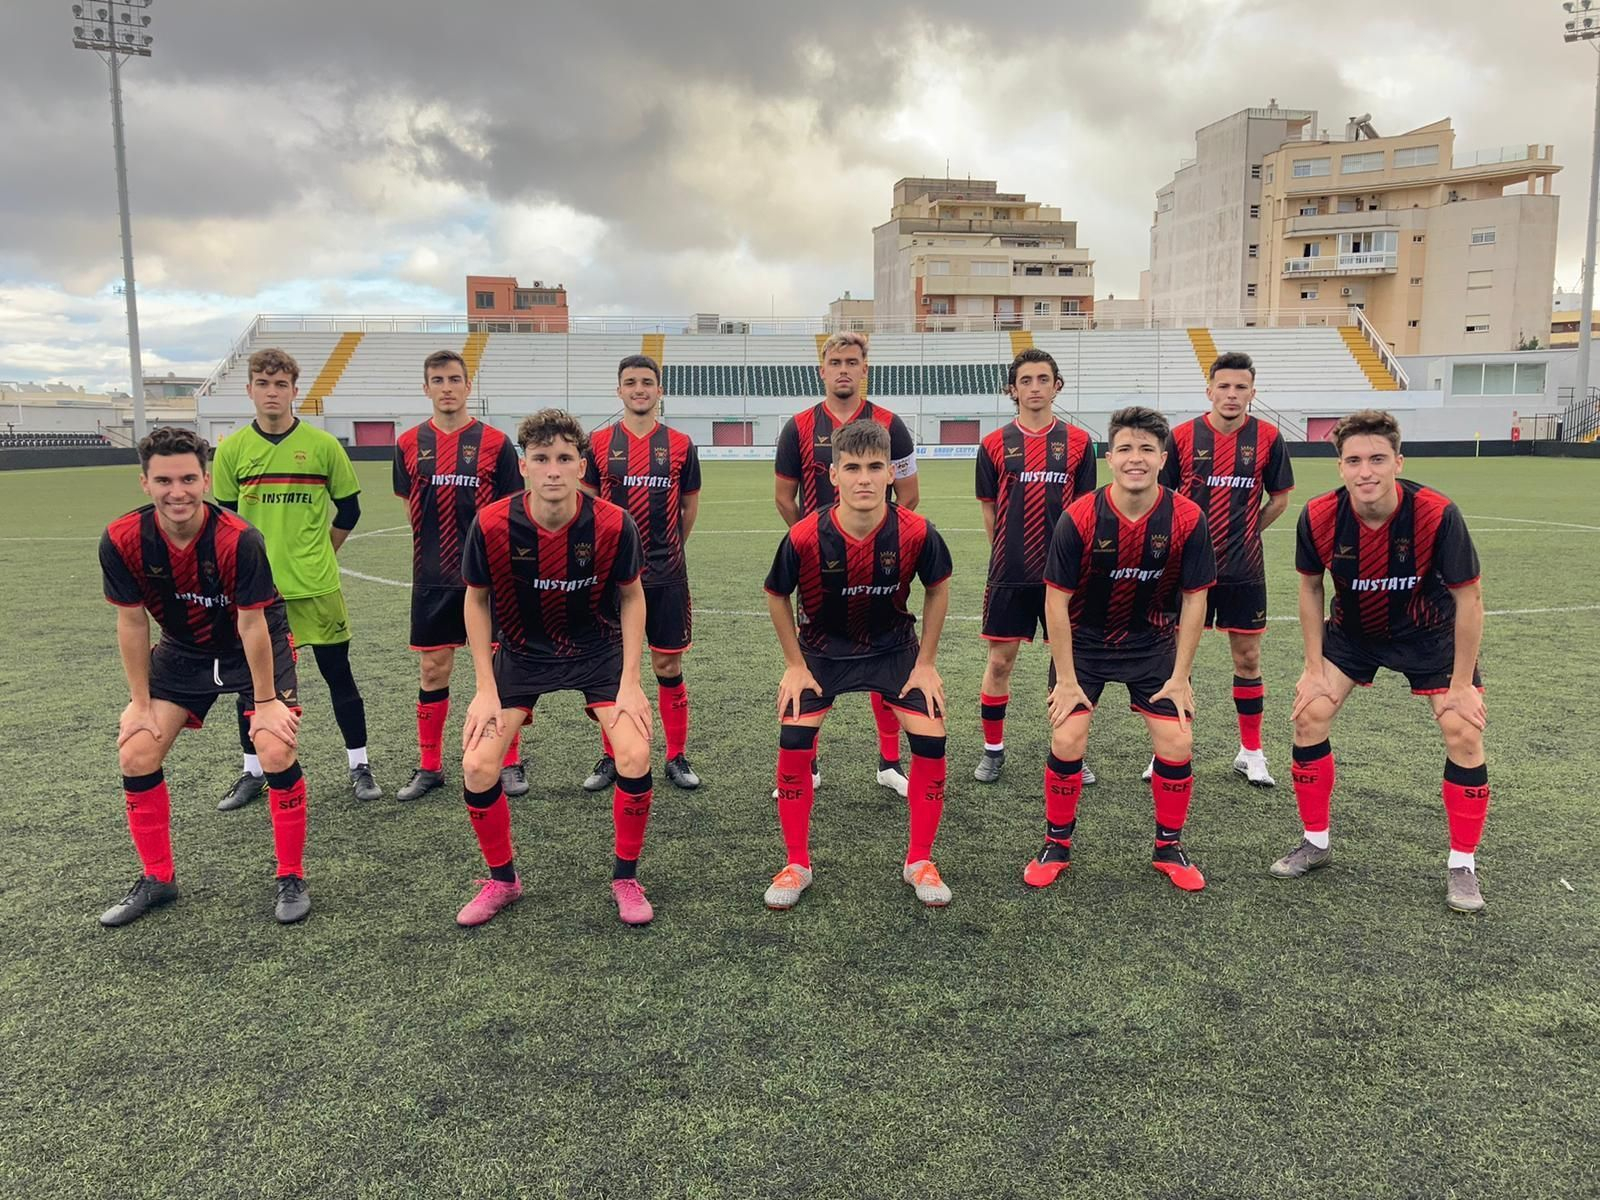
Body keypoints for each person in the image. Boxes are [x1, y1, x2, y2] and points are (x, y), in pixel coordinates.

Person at [1273, 409, 1490, 913]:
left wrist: (1460, 683)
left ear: (1398, 461)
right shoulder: (1321, 516)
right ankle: (1316, 842)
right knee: (1309, 715)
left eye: (1377, 459)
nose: (1365, 471)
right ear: (1340, 467)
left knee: (1464, 729)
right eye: (1354, 460)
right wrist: (1311, 667)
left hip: (1428, 633)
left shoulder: (1436, 513)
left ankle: (1463, 864)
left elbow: (1469, 599)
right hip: (1355, 633)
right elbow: (1309, 588)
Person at [98, 427, 310, 926]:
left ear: (206, 479)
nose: (178, 492)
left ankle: (291, 875)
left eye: (189, 479)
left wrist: (266, 703)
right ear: (144, 482)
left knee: (274, 747)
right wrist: (139, 700)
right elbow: (131, 621)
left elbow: (253, 623)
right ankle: (157, 878)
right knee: (136, 750)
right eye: (165, 480)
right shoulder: (122, 539)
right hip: (182, 650)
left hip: (251, 643)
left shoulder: (239, 540)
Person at [453, 409, 657, 927]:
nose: (552, 470)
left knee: (633, 754)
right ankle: (502, 881)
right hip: (521, 653)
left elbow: (632, 598)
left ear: (581, 465)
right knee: (478, 765)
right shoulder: (493, 523)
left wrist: (632, 683)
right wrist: (482, 687)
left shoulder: (613, 523)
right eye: (540, 459)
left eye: (564, 458)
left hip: (597, 651)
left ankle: (625, 878)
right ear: (523, 466)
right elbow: (476, 602)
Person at [762, 418, 953, 911]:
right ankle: (796, 864)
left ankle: (920, 861)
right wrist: (794, 664)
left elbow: (938, 588)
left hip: (894, 651)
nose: (864, 478)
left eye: (875, 467)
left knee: (932, 740)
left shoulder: (916, 532)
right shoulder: (806, 535)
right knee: (794, 740)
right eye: (852, 468)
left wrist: (926, 662)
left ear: (892, 473)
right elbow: (776, 594)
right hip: (823, 653)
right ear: (833, 475)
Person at [1026, 405, 1216, 893]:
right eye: (1126, 449)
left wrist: (1180, 675)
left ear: (1162, 457)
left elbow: (1196, 600)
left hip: (1153, 644)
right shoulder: (1081, 517)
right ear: (1110, 457)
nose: (1136, 458)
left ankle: (1169, 848)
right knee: (1068, 738)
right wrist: (1066, 679)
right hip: (1085, 644)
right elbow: (1056, 600)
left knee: (1177, 742)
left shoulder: (1187, 518)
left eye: (1147, 450)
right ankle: (1056, 844)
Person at [211, 347, 381, 805]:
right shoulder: (231, 451)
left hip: (316, 587)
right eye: (263, 384)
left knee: (337, 675)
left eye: (280, 384)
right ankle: (252, 771)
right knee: (253, 686)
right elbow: (223, 522)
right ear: (249, 390)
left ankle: (359, 764)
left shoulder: (323, 446)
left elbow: (350, 508)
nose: (272, 392)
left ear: (294, 391)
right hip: (255, 595)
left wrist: (322, 551)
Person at [774, 332, 920, 797]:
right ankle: (809, 766)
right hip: (820, 569)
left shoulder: (891, 424)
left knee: (886, 652)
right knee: (814, 657)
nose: (843, 368)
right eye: (834, 361)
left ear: (864, 369)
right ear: (821, 369)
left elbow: (909, 495)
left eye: (852, 361)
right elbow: (784, 495)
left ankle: (889, 764)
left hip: (884, 562)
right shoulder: (797, 427)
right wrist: (814, 545)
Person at [392, 349, 526, 803]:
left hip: (488, 580)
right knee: (433, 669)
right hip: (431, 576)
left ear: (469, 386)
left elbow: (512, 511)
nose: (446, 387)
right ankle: (430, 766)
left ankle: (508, 762)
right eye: (437, 379)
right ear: (425, 387)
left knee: (498, 671)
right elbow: (406, 502)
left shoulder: (496, 443)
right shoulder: (409, 443)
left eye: (454, 379)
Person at [1156, 351, 1293, 787]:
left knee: (1248, 658)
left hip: (1244, 567)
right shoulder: (1181, 437)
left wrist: (1248, 531)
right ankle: (1167, 748)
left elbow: (1280, 500)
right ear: (1209, 390)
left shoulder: (1269, 437)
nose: (1232, 394)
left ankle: (1251, 752)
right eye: (1224, 386)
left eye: (1241, 387)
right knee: (1176, 661)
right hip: (1186, 570)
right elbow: (1166, 500)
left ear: (1253, 392)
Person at [973, 348, 1097, 785]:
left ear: (1057, 386)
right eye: (1026, 381)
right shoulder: (992, 445)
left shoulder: (1080, 443)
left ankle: (1071, 752)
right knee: (1001, 663)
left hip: (1065, 577)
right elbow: (989, 511)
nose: (1035, 388)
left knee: (1067, 666)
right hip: (1010, 572)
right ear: (1013, 389)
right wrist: (1008, 551)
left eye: (1043, 379)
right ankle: (992, 751)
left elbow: (1085, 512)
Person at [580, 353, 703, 792]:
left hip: (666, 571)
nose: (639, 389)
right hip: (611, 576)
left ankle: (676, 756)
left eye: (647, 382)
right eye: (630, 382)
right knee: (612, 666)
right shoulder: (596, 444)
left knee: (667, 663)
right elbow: (587, 506)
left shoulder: (681, 444)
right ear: (619, 390)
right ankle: (612, 755)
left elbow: (688, 507)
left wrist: (669, 547)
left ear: (659, 390)